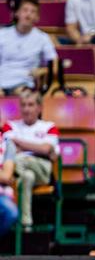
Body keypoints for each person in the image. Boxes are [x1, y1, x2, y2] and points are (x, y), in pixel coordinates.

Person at [0, 89, 58, 231]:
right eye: (23, 105)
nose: (26, 109)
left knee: (18, 160)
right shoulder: (10, 125)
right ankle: (26, 225)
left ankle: (7, 176)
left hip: (42, 170)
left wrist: (18, 143)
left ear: (39, 108)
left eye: (31, 105)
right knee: (27, 177)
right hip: (23, 171)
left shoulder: (49, 126)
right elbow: (9, 147)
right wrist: (36, 148)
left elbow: (46, 149)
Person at [0, 0, 56, 95]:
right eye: (25, 10)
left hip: (24, 84)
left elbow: (54, 66)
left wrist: (42, 70)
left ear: (37, 17)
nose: (28, 14)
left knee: (24, 97)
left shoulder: (43, 38)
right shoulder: (2, 34)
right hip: (2, 80)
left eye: (32, 11)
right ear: (17, 13)